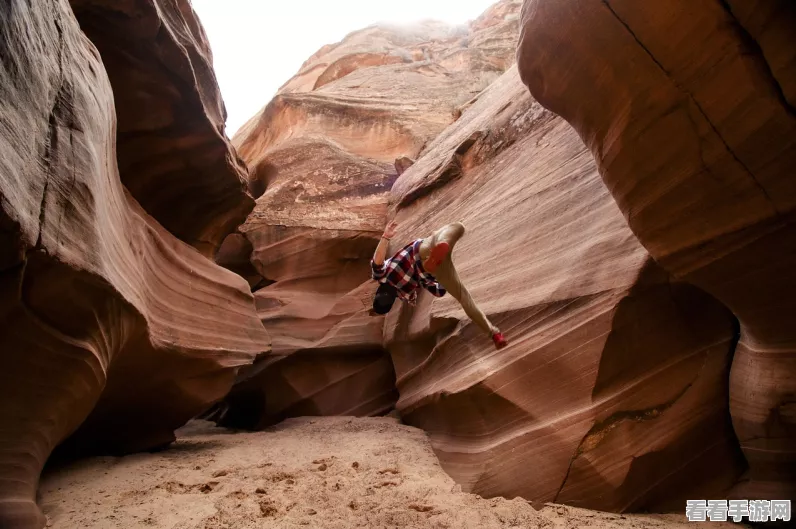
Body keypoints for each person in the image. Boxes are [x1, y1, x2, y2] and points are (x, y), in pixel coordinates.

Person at [370, 220, 508, 350]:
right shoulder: (382, 275)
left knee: (464, 297)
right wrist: (386, 237)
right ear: (378, 292)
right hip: (421, 250)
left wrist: (443, 284)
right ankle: (441, 244)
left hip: (435, 271)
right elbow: (378, 260)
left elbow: (435, 290)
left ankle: (493, 333)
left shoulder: (405, 293)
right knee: (458, 227)